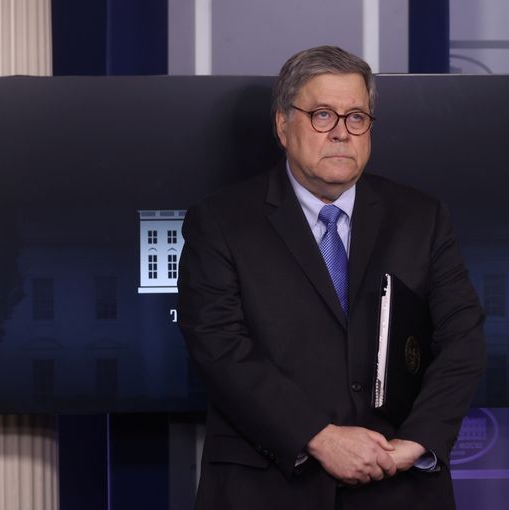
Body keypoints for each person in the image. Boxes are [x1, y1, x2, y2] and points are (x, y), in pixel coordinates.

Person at [177, 45, 486, 510]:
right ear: (283, 125)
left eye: (356, 117)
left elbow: (463, 339)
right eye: (323, 115)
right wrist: (318, 437)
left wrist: (417, 441)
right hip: (268, 487)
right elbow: (219, 349)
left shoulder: (421, 218)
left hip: (398, 484)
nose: (342, 133)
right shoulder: (220, 221)